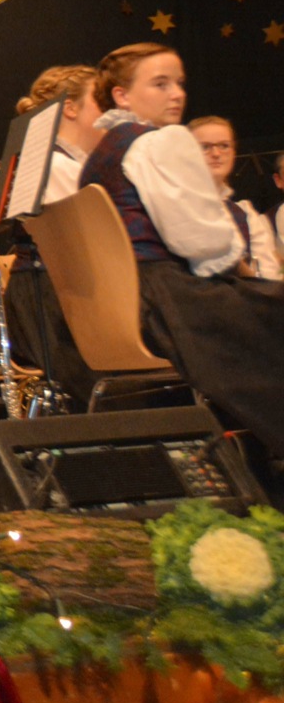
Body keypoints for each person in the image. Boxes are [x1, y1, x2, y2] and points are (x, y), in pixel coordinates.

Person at [78, 44, 284, 461]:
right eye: (160, 84)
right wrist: (249, 276)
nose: (177, 94)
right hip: (169, 301)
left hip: (124, 303)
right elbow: (203, 242)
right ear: (122, 95)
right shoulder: (161, 141)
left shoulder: (100, 154)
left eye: (180, 84)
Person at [0, 65, 103, 403]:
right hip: (52, 304)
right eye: (101, 101)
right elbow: (89, 250)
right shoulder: (56, 166)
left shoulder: (66, 163)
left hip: (52, 295)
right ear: (70, 108)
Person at [191, 116, 282, 281]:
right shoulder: (176, 205)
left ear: (233, 153)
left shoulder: (246, 214)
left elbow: (269, 279)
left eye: (224, 146)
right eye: (205, 147)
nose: (216, 153)